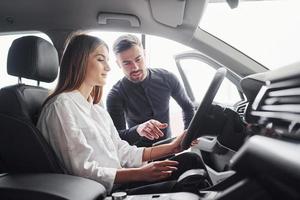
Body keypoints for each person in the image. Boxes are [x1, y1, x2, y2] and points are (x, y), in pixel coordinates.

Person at [37, 33, 208, 195]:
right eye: (100, 59)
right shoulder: (61, 106)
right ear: (79, 61)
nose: (108, 67)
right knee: (191, 175)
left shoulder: (96, 108)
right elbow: (82, 169)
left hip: (125, 178)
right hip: (106, 190)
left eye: (107, 60)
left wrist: (173, 147)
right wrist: (139, 173)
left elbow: (121, 151)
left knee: (191, 160)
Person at [106, 34, 194, 147]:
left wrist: (187, 134)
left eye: (138, 59)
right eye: (127, 63)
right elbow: (118, 137)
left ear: (144, 54)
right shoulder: (115, 95)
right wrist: (138, 129)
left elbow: (188, 107)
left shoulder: (168, 77)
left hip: (170, 147)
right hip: (140, 156)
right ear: (118, 64)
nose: (135, 67)